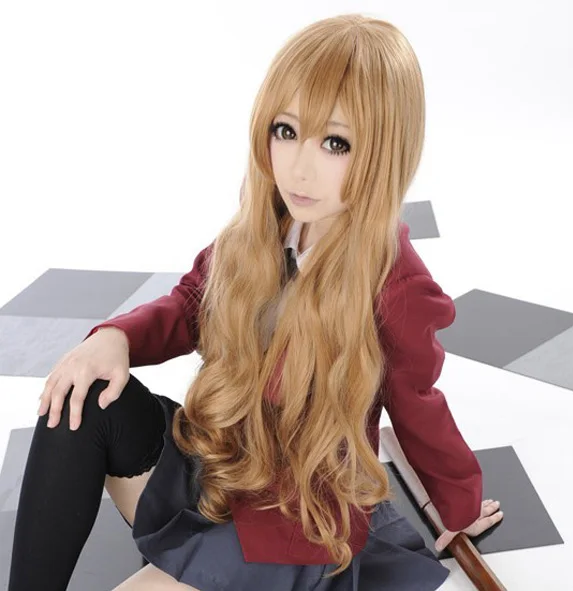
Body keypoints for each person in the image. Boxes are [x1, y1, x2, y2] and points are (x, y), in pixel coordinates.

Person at [8, 13, 503, 591]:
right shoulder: (263, 225)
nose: (299, 168)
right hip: (216, 472)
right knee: (81, 394)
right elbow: (191, 304)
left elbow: (419, 410)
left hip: (293, 526)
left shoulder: (395, 284)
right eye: (286, 131)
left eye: (335, 143)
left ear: (383, 153)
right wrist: (117, 337)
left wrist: (459, 503)